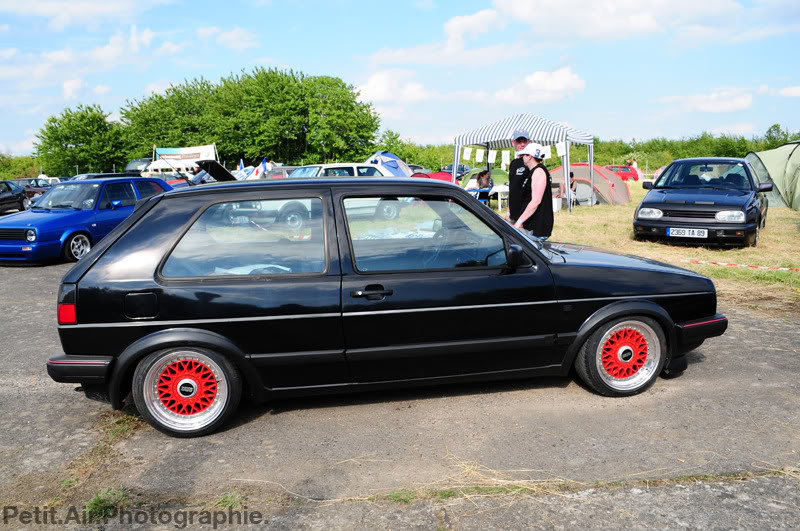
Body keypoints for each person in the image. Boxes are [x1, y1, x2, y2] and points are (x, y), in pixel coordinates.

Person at [509, 142, 554, 239]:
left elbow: (535, 201)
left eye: (524, 154)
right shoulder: (534, 171)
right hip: (532, 227)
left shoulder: (538, 171)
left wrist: (518, 223)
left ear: (530, 156)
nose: (522, 157)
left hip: (537, 228)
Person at [507, 128, 532, 223]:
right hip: (514, 214)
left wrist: (522, 220)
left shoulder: (532, 161)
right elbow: (512, 188)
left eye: (524, 141)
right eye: (519, 141)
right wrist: (508, 211)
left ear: (529, 142)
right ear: (513, 143)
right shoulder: (513, 163)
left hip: (527, 215)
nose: (522, 144)